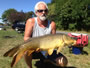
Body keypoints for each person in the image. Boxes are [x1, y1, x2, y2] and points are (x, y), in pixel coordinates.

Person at [24, 1, 68, 68]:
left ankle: (47, 60)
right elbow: (26, 38)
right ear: (36, 13)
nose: (43, 12)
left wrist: (62, 43)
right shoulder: (31, 21)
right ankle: (29, 67)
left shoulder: (52, 24)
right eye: (40, 11)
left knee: (64, 62)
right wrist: (35, 46)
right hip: (34, 49)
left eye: (45, 10)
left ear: (47, 12)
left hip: (47, 50)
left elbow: (54, 39)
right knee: (26, 51)